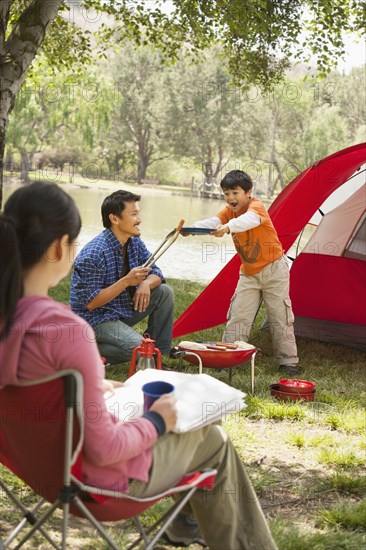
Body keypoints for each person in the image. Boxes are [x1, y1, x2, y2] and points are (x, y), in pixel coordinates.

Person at [0, 181, 278, 550]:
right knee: (211, 438)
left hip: (35, 469)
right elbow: (104, 450)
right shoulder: (68, 332)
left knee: (157, 309)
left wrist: (92, 387)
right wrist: (159, 419)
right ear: (58, 247)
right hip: (95, 487)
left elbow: (35, 387)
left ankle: (184, 525)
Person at [189, 169, 299, 376]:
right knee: (239, 314)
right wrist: (192, 229)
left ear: (248, 192)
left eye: (235, 193)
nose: (231, 198)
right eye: (227, 193)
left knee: (279, 316)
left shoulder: (256, 207)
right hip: (249, 273)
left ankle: (288, 361)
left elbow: (249, 221)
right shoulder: (229, 212)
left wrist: (228, 228)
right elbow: (214, 222)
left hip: (274, 270)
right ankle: (229, 357)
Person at [69, 190, 174, 365]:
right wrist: (127, 281)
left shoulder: (133, 242)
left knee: (164, 292)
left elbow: (157, 272)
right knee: (138, 349)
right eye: (133, 214)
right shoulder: (94, 253)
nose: (139, 220)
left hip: (118, 310)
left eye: (138, 213)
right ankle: (80, 351)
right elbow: (91, 303)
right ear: (115, 219)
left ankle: (159, 357)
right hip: (92, 319)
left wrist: (146, 284)